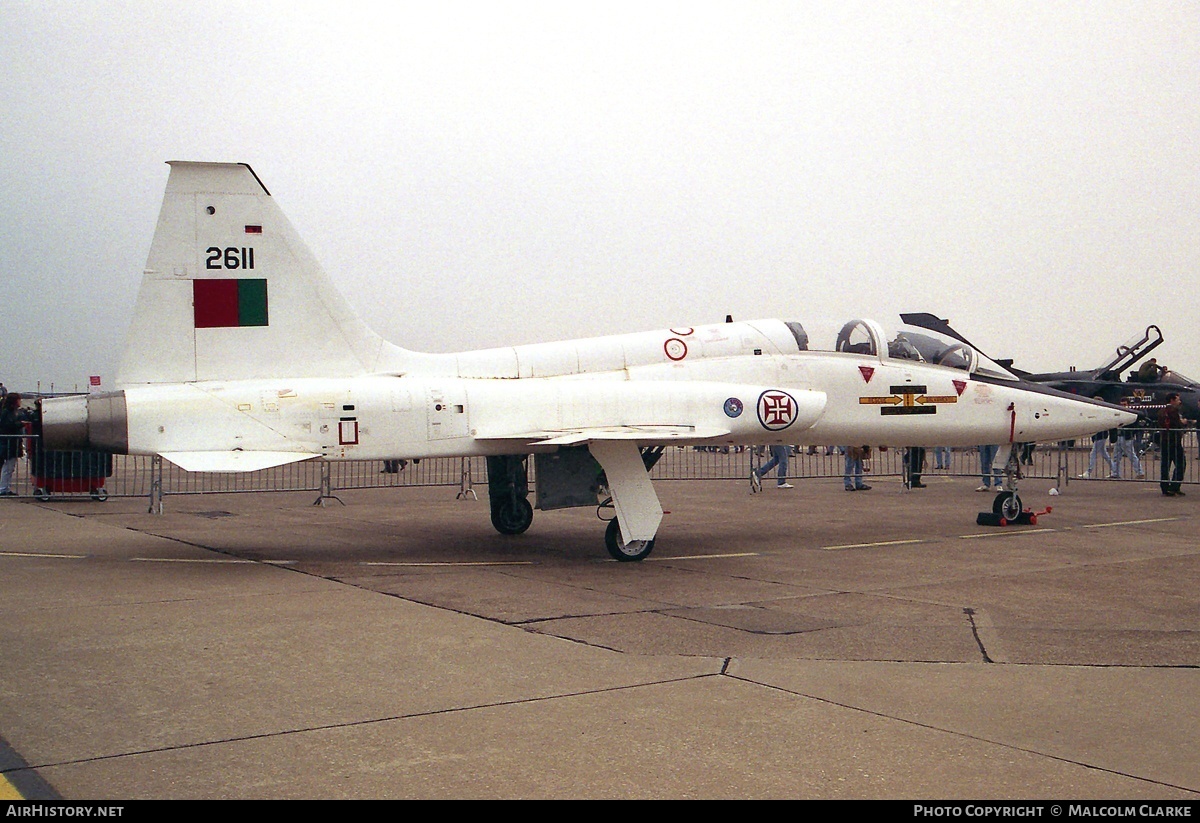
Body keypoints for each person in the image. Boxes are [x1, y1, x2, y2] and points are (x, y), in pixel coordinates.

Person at [1159, 393, 1194, 496]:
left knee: (1165, 465)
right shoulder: (1173, 411)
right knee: (1181, 464)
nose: (1179, 402)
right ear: (1172, 400)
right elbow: (1177, 424)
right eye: (1178, 400)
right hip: (1174, 440)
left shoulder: (1161, 411)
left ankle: (1165, 487)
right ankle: (1174, 485)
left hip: (1164, 440)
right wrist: (1183, 422)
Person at [0, 393, 31, 497]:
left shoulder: (13, 412)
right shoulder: (6, 413)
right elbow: (7, 426)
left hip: (12, 443)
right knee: (7, 467)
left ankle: (5, 488)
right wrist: (20, 424)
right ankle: (3, 489)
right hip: (8, 442)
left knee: (10, 467)